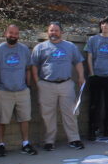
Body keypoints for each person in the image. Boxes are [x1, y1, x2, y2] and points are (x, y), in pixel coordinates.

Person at [31, 22, 86, 152]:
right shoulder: (40, 47)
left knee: (70, 113)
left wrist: (81, 76)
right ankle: (49, 141)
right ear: (47, 32)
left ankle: (74, 139)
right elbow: (33, 65)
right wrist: (37, 81)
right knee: (47, 114)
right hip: (46, 85)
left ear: (61, 32)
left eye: (56, 30)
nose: (53, 33)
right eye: (51, 31)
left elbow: (78, 62)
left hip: (66, 84)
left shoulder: (70, 46)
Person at [0, 24, 36, 157]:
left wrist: (28, 85)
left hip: (22, 90)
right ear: (5, 33)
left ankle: (25, 143)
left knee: (24, 118)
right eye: (11, 33)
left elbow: (28, 68)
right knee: (1, 119)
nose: (13, 36)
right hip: (3, 90)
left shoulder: (24, 49)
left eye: (16, 33)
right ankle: (1, 144)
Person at [84, 17, 108, 140]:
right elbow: (89, 57)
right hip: (96, 76)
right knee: (94, 105)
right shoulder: (93, 39)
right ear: (100, 25)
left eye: (107, 24)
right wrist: (91, 73)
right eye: (103, 23)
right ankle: (92, 130)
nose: (105, 26)